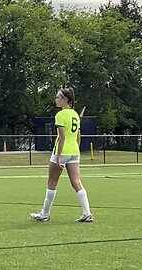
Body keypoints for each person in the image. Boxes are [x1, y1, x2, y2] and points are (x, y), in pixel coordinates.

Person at [30, 87, 93, 222]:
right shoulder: (75, 114)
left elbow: (62, 137)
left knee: (52, 183)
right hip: (74, 152)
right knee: (77, 183)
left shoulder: (60, 115)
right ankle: (87, 213)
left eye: (58, 97)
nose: (56, 100)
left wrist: (58, 157)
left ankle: (45, 214)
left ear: (65, 100)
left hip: (62, 151)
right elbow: (78, 136)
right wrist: (76, 150)